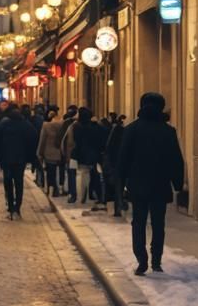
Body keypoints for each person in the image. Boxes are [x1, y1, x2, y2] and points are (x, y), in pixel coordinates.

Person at [118, 92, 185, 275]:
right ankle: (156, 260)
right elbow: (176, 160)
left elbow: (123, 159)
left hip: (138, 184)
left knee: (138, 222)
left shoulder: (132, 129)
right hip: (160, 184)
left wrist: (120, 182)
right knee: (158, 223)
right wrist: (177, 184)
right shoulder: (168, 131)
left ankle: (141, 259)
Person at [0, 106, 38, 219]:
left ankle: (11, 206)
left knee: (8, 182)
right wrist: (31, 157)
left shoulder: (3, 124)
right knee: (19, 182)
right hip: (20, 159)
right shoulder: (26, 125)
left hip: (6, 158)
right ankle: (17, 208)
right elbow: (33, 140)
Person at [66, 107, 105, 210]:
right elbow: (101, 140)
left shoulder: (76, 127)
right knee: (91, 175)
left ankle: (80, 197)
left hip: (77, 154)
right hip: (92, 155)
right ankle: (88, 196)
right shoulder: (95, 127)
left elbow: (73, 141)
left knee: (80, 175)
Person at [37, 108, 65, 197]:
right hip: (61, 152)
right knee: (61, 171)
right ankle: (61, 187)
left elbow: (42, 140)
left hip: (49, 153)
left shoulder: (46, 126)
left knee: (50, 172)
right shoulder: (63, 125)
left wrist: (39, 153)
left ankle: (52, 189)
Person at [105, 114, 128, 217]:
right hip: (120, 163)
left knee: (118, 186)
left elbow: (108, 148)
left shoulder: (116, 131)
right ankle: (119, 205)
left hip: (116, 163)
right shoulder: (123, 131)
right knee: (120, 185)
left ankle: (118, 207)